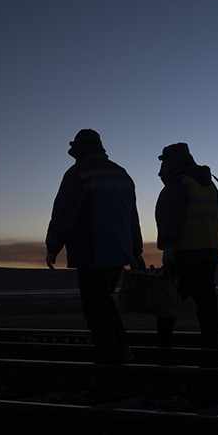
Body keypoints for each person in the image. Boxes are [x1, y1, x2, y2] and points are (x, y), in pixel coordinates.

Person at [46, 129, 145, 364]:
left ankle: (109, 353)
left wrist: (53, 246)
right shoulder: (122, 174)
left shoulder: (78, 173)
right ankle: (120, 350)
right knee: (104, 301)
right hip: (119, 252)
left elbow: (63, 212)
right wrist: (136, 251)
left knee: (95, 305)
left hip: (90, 249)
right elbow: (132, 217)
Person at [154, 142, 218, 350]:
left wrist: (168, 245)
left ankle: (164, 349)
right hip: (209, 254)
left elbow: (172, 216)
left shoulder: (179, 183)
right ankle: (211, 350)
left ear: (172, 162)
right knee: (207, 307)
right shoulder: (209, 185)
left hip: (184, 255)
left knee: (167, 305)